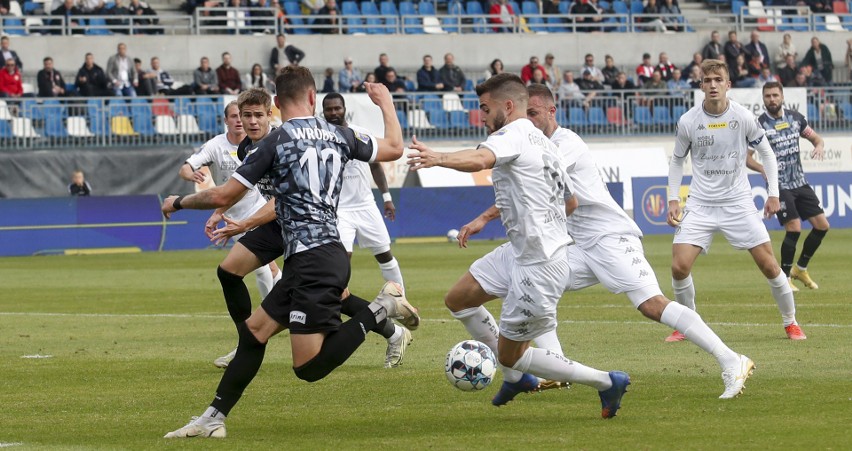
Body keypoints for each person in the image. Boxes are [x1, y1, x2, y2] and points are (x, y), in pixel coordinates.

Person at [451, 83, 754, 400]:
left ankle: (732, 360)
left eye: (534, 113)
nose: (527, 118)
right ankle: (526, 372)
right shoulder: (531, 141)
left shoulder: (563, 143)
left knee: (651, 304)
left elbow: (540, 183)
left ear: (552, 112)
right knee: (528, 279)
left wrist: (484, 217)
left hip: (608, 237)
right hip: (574, 243)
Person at [161, 70, 417, 439]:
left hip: (315, 258)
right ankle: (212, 419)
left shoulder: (275, 141)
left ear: (276, 104)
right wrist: (386, 104)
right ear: (312, 97)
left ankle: (381, 308)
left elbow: (220, 196)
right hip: (313, 253)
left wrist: (178, 201)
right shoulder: (339, 133)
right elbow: (394, 148)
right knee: (254, 333)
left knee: (308, 366)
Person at [407, 73, 630, 417]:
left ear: (508, 106)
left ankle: (605, 381)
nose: (481, 116)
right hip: (520, 250)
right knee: (459, 299)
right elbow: (570, 202)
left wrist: (438, 157)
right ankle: (515, 378)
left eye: (484, 108)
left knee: (511, 355)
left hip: (538, 264)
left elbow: (481, 160)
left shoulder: (511, 133)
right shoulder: (545, 143)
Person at [666, 59, 805, 342]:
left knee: (769, 265)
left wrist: (773, 193)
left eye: (719, 80)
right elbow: (677, 160)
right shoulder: (688, 121)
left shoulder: (742, 117)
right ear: (702, 85)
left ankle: (791, 322)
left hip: (738, 202)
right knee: (679, 267)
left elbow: (766, 153)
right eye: (708, 80)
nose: (713, 85)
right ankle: (686, 325)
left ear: (728, 85)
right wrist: (672, 199)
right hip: (701, 204)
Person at [179, 98, 282, 368]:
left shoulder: (267, 142)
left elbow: (244, 188)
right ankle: (268, 320)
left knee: (262, 271)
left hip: (262, 210)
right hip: (233, 217)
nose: (241, 120)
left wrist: (211, 211)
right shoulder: (218, 145)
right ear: (227, 120)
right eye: (237, 116)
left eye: (247, 115)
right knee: (268, 272)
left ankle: (261, 328)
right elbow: (186, 167)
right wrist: (191, 175)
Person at [321, 92, 413, 368]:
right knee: (341, 258)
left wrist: (385, 197)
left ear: (344, 109)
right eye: (329, 109)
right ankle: (337, 298)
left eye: (337, 108)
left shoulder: (360, 133)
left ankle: (401, 299)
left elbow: (375, 164)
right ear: (323, 111)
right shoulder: (321, 137)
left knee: (384, 254)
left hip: (364, 204)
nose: (334, 112)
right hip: (340, 210)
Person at [746, 82, 827, 295]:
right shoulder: (759, 125)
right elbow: (747, 158)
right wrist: (762, 168)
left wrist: (818, 146)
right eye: (767, 96)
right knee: (794, 227)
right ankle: (784, 277)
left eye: (775, 95)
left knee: (822, 226)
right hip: (778, 185)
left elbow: (816, 138)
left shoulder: (796, 119)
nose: (772, 99)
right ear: (763, 99)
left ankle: (800, 269)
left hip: (799, 182)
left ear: (782, 96)